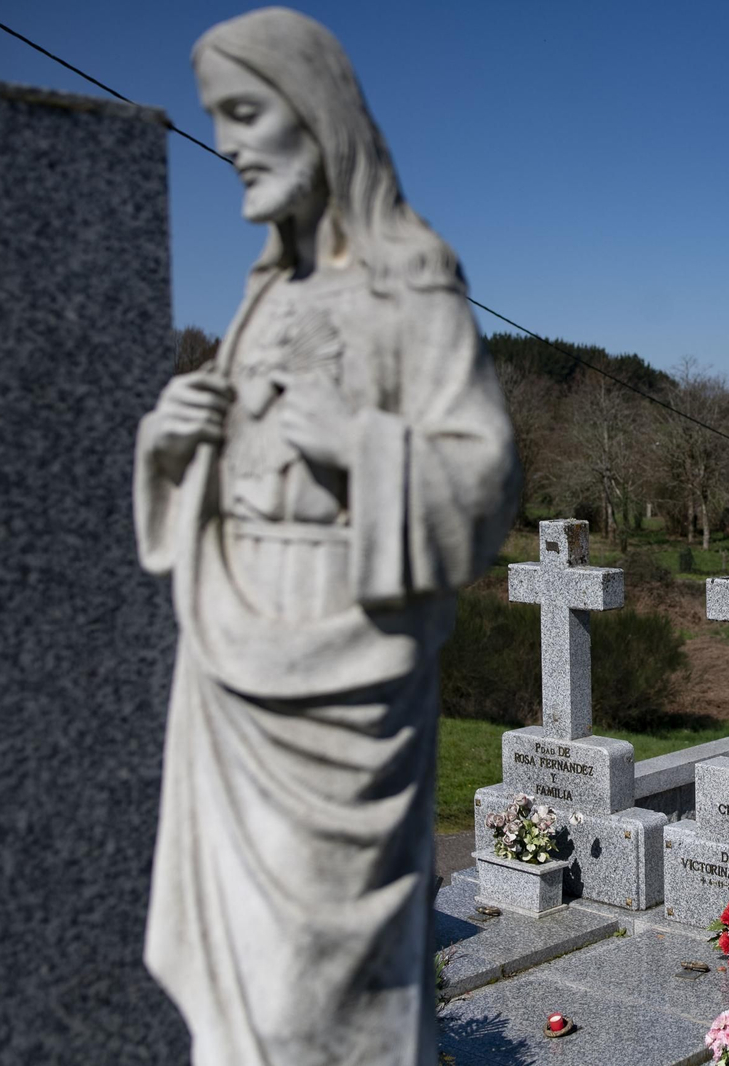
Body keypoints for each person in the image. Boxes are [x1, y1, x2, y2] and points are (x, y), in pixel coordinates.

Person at [134, 9, 519, 1064]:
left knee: (318, 992)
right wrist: (169, 450)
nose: (227, 144)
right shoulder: (266, 289)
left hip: (346, 661)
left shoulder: (410, 275)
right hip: (231, 649)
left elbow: (483, 468)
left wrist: (360, 443)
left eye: (247, 113)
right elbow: (229, 460)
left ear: (321, 116)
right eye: (219, 119)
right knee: (240, 988)